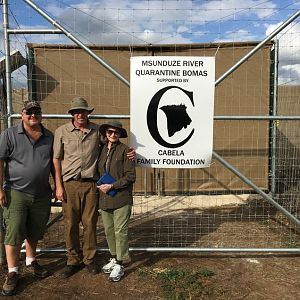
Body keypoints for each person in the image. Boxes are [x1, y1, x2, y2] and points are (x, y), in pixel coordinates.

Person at [53, 97, 135, 279]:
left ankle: (90, 259)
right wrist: (58, 185)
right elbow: (56, 159)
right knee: (70, 224)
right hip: (70, 184)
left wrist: (130, 151)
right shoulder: (61, 132)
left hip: (91, 184)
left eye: (83, 111)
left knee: (90, 223)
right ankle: (72, 260)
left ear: (88, 113)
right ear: (72, 114)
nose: (80, 114)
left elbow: (112, 146)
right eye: (76, 112)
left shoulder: (97, 131)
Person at [0, 101, 53, 296]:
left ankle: (31, 260)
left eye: (36, 112)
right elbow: (0, 161)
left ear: (41, 115)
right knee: (14, 231)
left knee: (35, 229)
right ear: (21, 114)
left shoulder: (49, 137)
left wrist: (58, 186)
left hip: (42, 193)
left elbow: (55, 163)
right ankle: (13, 271)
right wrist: (0, 189)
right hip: (16, 192)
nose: (33, 115)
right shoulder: (9, 135)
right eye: (29, 112)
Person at [97, 121, 136, 282]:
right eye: (110, 132)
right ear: (105, 133)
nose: (113, 135)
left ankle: (120, 262)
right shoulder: (100, 150)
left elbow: (131, 176)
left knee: (120, 231)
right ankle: (114, 257)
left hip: (121, 197)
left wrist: (112, 185)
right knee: (109, 230)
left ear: (120, 134)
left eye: (116, 133)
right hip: (105, 198)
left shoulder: (125, 151)